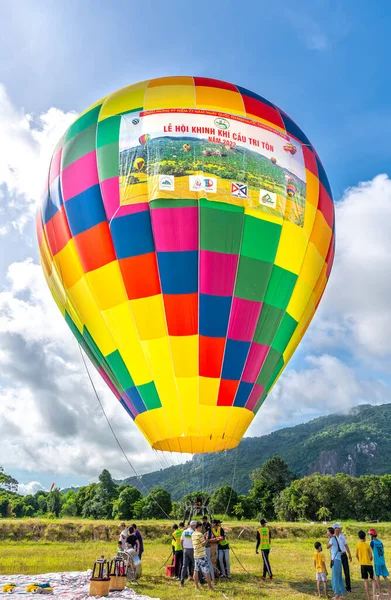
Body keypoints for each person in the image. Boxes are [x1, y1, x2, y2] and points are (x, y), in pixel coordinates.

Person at [368, 528, 391, 597]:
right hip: (382, 561)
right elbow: (382, 551)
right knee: (385, 576)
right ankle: (390, 591)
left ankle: (380, 592)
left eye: (369, 535)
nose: (369, 536)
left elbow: (369, 551)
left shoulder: (372, 542)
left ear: (372, 535)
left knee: (377, 576)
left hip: (377, 562)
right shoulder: (380, 542)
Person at [192, 522, 214, 591]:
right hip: (202, 556)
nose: (201, 528)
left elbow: (199, 542)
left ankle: (196, 586)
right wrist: (207, 538)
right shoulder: (200, 534)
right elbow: (204, 544)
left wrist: (203, 537)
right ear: (199, 527)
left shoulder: (193, 534)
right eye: (201, 527)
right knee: (206, 571)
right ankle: (210, 587)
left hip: (196, 555)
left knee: (196, 570)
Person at [356, 530, 376, 600]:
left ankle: (368, 597)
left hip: (362, 565)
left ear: (359, 537)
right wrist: (369, 560)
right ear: (365, 537)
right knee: (373, 579)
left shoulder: (357, 545)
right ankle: (373, 595)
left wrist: (360, 560)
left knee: (365, 580)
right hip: (369, 564)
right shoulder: (368, 545)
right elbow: (371, 557)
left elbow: (356, 555)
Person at [327, 526, 345, 599]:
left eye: (327, 531)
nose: (326, 533)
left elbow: (327, 546)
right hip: (339, 560)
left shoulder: (332, 539)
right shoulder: (337, 538)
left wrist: (329, 538)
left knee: (335, 578)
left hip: (335, 560)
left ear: (330, 533)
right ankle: (343, 594)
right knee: (340, 577)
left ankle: (336, 595)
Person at [334, 523, 352, 594]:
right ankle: (338, 588)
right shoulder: (333, 537)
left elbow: (346, 545)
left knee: (346, 572)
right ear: (335, 529)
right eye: (338, 528)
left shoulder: (342, 536)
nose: (339, 529)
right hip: (337, 556)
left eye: (339, 528)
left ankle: (348, 588)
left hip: (344, 555)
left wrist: (349, 554)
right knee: (338, 572)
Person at [180, 520, 196, 587]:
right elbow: (194, 542)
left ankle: (182, 581)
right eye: (195, 525)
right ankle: (198, 580)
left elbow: (181, 541)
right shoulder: (193, 532)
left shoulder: (184, 531)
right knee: (195, 565)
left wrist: (183, 548)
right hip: (191, 549)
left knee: (184, 565)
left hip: (185, 549)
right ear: (192, 525)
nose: (195, 527)